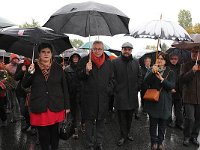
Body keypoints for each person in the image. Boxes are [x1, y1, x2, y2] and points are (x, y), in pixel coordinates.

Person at [21, 43, 70, 150]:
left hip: (55, 104)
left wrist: (67, 106)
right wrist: (29, 73)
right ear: (39, 54)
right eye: (43, 52)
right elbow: (24, 85)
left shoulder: (58, 68)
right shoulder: (33, 67)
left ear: (52, 54)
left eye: (48, 52)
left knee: (54, 133)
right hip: (39, 105)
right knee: (43, 135)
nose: (46, 54)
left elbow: (64, 87)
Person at [77, 40, 114, 150]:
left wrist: (108, 90)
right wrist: (86, 71)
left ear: (103, 50)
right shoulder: (84, 61)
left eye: (99, 49)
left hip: (103, 98)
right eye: (95, 49)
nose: (97, 51)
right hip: (89, 98)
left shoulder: (108, 62)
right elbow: (78, 77)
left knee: (101, 122)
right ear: (92, 49)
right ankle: (89, 144)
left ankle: (99, 143)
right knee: (89, 123)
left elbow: (112, 80)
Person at [112, 42, 142, 146]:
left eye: (129, 49)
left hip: (132, 96)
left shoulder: (136, 62)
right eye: (125, 49)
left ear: (131, 51)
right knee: (121, 119)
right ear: (122, 50)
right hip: (120, 96)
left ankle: (127, 133)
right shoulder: (115, 62)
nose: (127, 51)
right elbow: (112, 78)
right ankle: (122, 136)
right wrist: (116, 89)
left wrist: (137, 87)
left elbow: (139, 76)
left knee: (130, 118)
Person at [144, 52, 175, 150]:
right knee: (153, 124)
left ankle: (160, 142)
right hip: (153, 100)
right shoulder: (151, 69)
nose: (160, 60)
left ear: (165, 61)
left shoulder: (170, 72)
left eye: (162, 58)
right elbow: (145, 82)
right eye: (158, 58)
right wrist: (152, 72)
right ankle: (154, 142)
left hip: (165, 102)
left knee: (162, 125)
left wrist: (162, 79)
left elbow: (171, 86)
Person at [180, 46, 200, 147]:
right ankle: (186, 137)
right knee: (190, 118)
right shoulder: (185, 65)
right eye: (193, 52)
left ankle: (194, 136)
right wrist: (192, 71)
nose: (194, 54)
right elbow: (182, 79)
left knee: (198, 118)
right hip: (188, 97)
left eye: (197, 52)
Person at [64, 53, 82, 139]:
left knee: (79, 113)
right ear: (71, 59)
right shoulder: (67, 69)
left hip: (80, 94)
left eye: (77, 57)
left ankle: (78, 127)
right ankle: (74, 129)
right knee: (73, 114)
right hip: (71, 95)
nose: (75, 58)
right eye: (74, 57)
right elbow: (65, 83)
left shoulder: (82, 68)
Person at [14, 57, 31, 132]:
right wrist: (22, 71)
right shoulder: (21, 65)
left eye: (28, 58)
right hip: (21, 92)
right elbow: (16, 78)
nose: (26, 59)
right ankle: (28, 123)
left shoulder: (36, 66)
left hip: (32, 93)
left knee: (32, 111)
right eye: (25, 57)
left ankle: (33, 126)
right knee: (23, 110)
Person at [168, 53, 184, 130]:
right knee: (169, 108)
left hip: (178, 92)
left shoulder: (181, 67)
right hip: (169, 91)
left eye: (175, 59)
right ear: (170, 59)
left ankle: (179, 123)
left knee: (179, 109)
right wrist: (170, 88)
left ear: (178, 59)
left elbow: (182, 79)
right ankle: (169, 121)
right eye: (172, 59)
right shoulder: (167, 68)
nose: (174, 60)